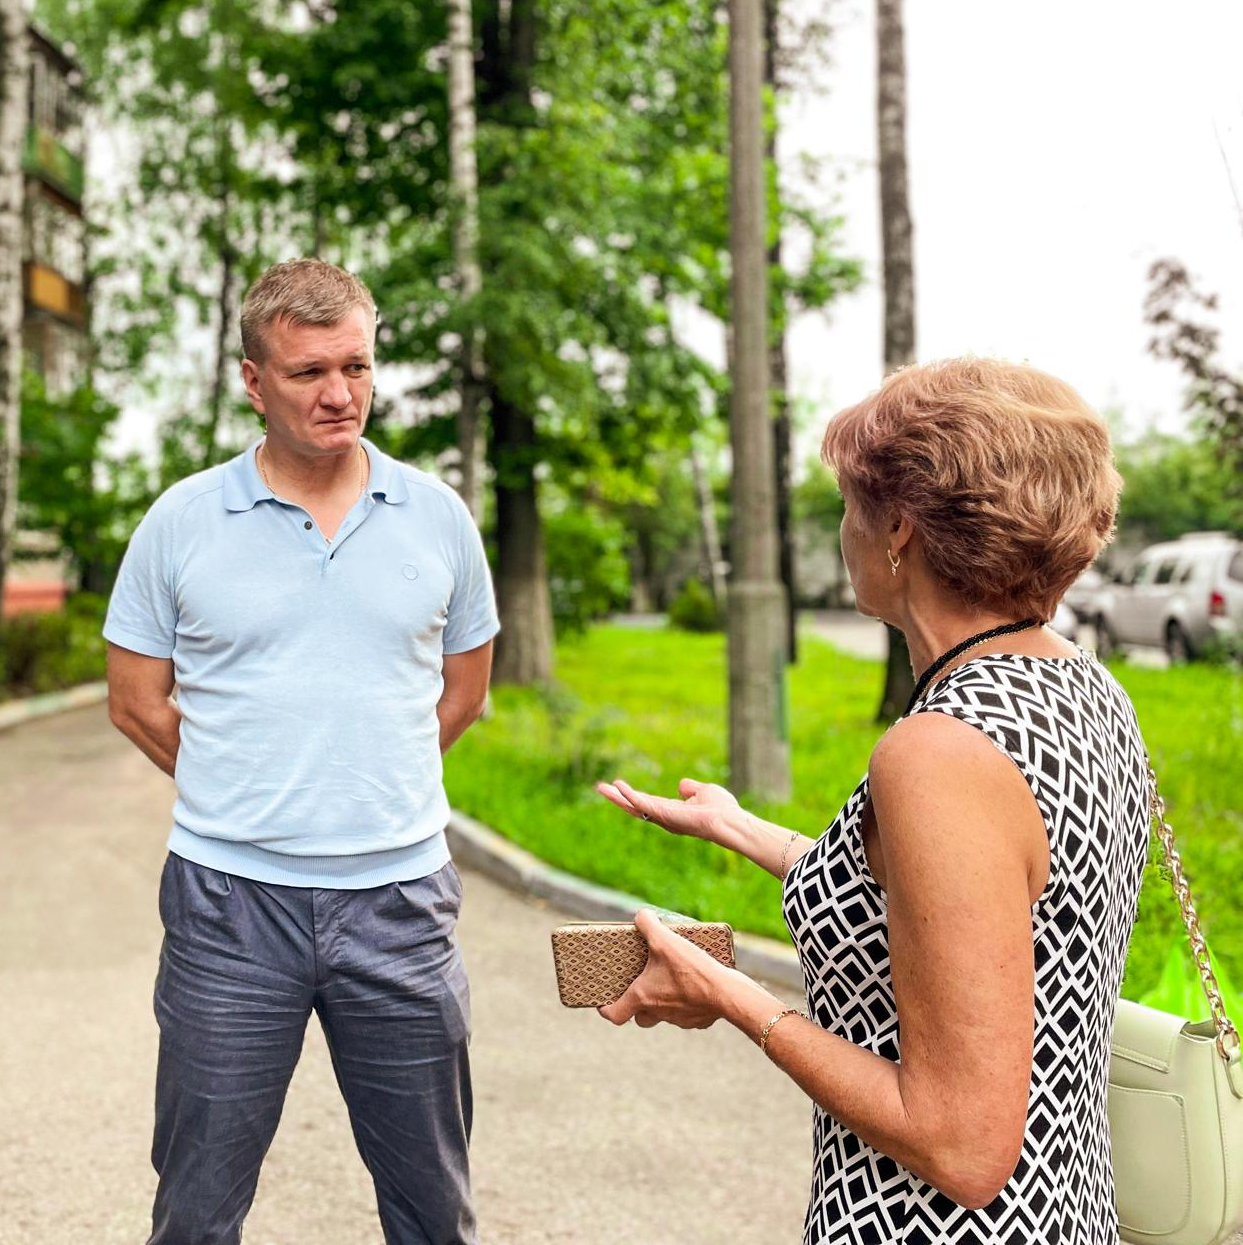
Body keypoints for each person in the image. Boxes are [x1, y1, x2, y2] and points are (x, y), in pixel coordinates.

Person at [593, 358, 1145, 1243]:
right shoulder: (1076, 684)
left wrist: (727, 992)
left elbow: (962, 1147)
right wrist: (741, 828)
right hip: (1068, 1217)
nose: (845, 528)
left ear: (898, 528)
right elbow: (978, 899)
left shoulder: (939, 750)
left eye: (850, 505)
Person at [105, 259, 499, 1245]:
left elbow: (465, 692)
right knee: (195, 1212)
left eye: (357, 368)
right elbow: (136, 701)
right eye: (309, 372)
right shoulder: (182, 521)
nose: (339, 394)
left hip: (402, 905)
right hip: (229, 909)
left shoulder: (439, 518)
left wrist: (368, 776)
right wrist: (250, 785)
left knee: (434, 1213)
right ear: (252, 380)